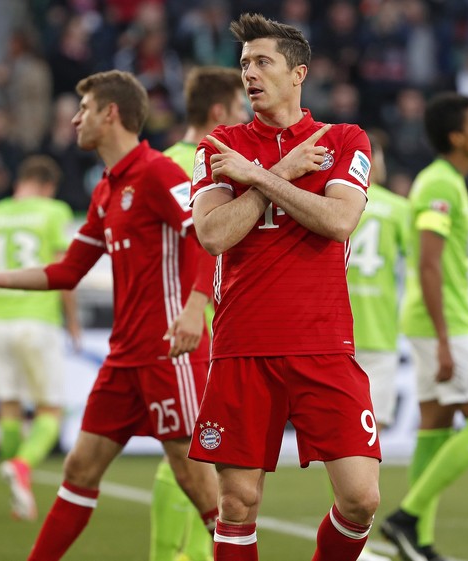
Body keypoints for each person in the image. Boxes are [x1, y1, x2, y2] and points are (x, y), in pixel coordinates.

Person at [0, 69, 219, 561]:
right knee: (79, 469)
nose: (75, 119)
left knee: (196, 481)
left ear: (111, 113)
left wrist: (194, 308)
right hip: (124, 358)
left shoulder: (159, 172)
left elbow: (207, 234)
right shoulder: (106, 191)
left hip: (170, 353)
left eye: (83, 109)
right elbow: (66, 270)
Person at [187, 13, 381, 561]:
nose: (249, 72)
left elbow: (340, 221)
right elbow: (213, 234)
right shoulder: (219, 145)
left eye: (262, 61)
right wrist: (283, 171)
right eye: (244, 63)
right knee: (238, 503)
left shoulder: (342, 140)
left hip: (324, 346)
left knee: (361, 499)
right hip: (243, 345)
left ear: (299, 73)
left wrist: (265, 175)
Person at [380, 93, 468, 561]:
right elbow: (428, 266)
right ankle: (407, 516)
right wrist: (449, 339)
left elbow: (449, 273)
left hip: (444, 321)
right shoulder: (439, 184)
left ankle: (418, 540)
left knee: (434, 429)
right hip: (438, 324)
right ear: (457, 136)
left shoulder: (448, 181)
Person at [150, 65, 247, 561]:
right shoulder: (195, 163)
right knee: (189, 448)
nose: (246, 116)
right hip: (196, 328)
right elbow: (201, 242)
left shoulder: (160, 160)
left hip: (196, 327)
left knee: (196, 447)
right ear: (218, 112)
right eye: (239, 107)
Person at [0, 155, 80, 521]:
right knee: (51, 410)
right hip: (38, 320)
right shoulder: (53, 211)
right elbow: (64, 269)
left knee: (9, 408)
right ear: (47, 186)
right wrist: (72, 321)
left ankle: (16, 493)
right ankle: (23, 467)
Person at [347, 131, 410, 432]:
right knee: (371, 433)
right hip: (380, 331)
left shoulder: (330, 203)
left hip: (337, 331)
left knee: (340, 435)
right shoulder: (398, 209)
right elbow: (422, 265)